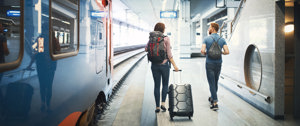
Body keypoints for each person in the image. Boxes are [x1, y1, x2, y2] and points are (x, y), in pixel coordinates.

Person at [146, 22, 179, 113]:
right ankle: (163, 104)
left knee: (156, 85)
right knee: (165, 84)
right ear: (163, 29)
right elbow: (169, 55)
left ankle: (157, 107)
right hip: (164, 65)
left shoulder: (151, 38)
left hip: (154, 65)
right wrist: (175, 66)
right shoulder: (166, 38)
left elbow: (146, 49)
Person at [201, 22, 229, 110]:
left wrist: (207, 53)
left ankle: (215, 103)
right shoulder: (222, 39)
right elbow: (227, 52)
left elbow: (202, 51)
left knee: (211, 82)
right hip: (219, 63)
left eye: (209, 27)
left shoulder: (206, 39)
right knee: (215, 81)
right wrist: (220, 52)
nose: (209, 29)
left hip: (209, 63)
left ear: (213, 28)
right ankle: (213, 97)